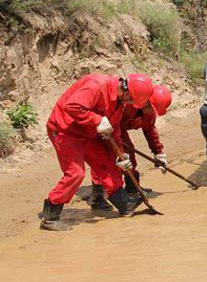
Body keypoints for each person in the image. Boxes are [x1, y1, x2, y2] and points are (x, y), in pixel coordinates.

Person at [41, 73, 154, 231]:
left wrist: (121, 155)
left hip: (90, 133)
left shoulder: (120, 103)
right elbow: (71, 106)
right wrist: (98, 120)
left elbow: (113, 130)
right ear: (126, 93)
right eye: (131, 101)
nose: (131, 105)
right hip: (65, 130)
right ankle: (50, 216)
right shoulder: (98, 85)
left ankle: (124, 205)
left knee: (108, 165)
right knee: (75, 173)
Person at [89, 85, 172, 207]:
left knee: (129, 156)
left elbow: (149, 129)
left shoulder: (148, 112)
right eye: (151, 109)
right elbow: (111, 121)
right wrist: (117, 147)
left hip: (119, 130)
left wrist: (158, 152)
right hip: (104, 127)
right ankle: (98, 195)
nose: (151, 113)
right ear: (145, 101)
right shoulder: (127, 104)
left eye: (153, 111)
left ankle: (132, 188)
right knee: (103, 159)